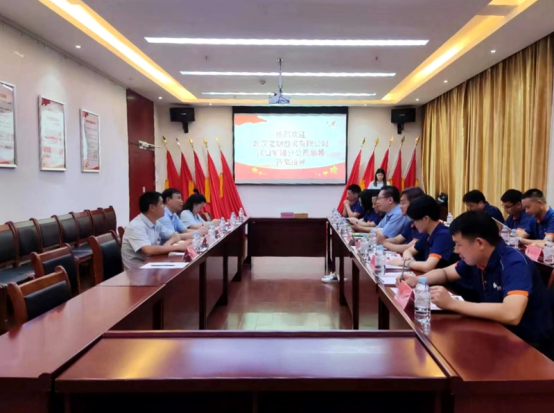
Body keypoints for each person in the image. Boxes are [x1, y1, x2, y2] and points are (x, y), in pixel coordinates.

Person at [399, 211, 553, 358]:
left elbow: (511, 314)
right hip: (495, 330)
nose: (455, 251)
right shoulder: (477, 258)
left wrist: (452, 304)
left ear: (479, 243)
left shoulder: (514, 263)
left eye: (458, 244)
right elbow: (445, 273)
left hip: (528, 345)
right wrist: (418, 280)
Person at [121, 192, 191, 269]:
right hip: (137, 271)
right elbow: (148, 250)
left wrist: (166, 245)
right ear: (152, 207)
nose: (164, 207)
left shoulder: (155, 222)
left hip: (152, 264)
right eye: (161, 204)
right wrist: (178, 247)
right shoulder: (136, 226)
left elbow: (175, 236)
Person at [389, 195, 457, 271]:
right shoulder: (428, 233)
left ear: (426, 218)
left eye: (415, 221)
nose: (414, 224)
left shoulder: (443, 235)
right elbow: (408, 250)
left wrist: (406, 263)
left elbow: (427, 266)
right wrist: (408, 258)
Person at [381, 187, 426, 254]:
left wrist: (385, 243)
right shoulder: (411, 223)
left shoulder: (423, 224)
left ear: (414, 203)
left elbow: (407, 248)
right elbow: (397, 239)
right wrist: (385, 242)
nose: (400, 206)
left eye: (403, 203)